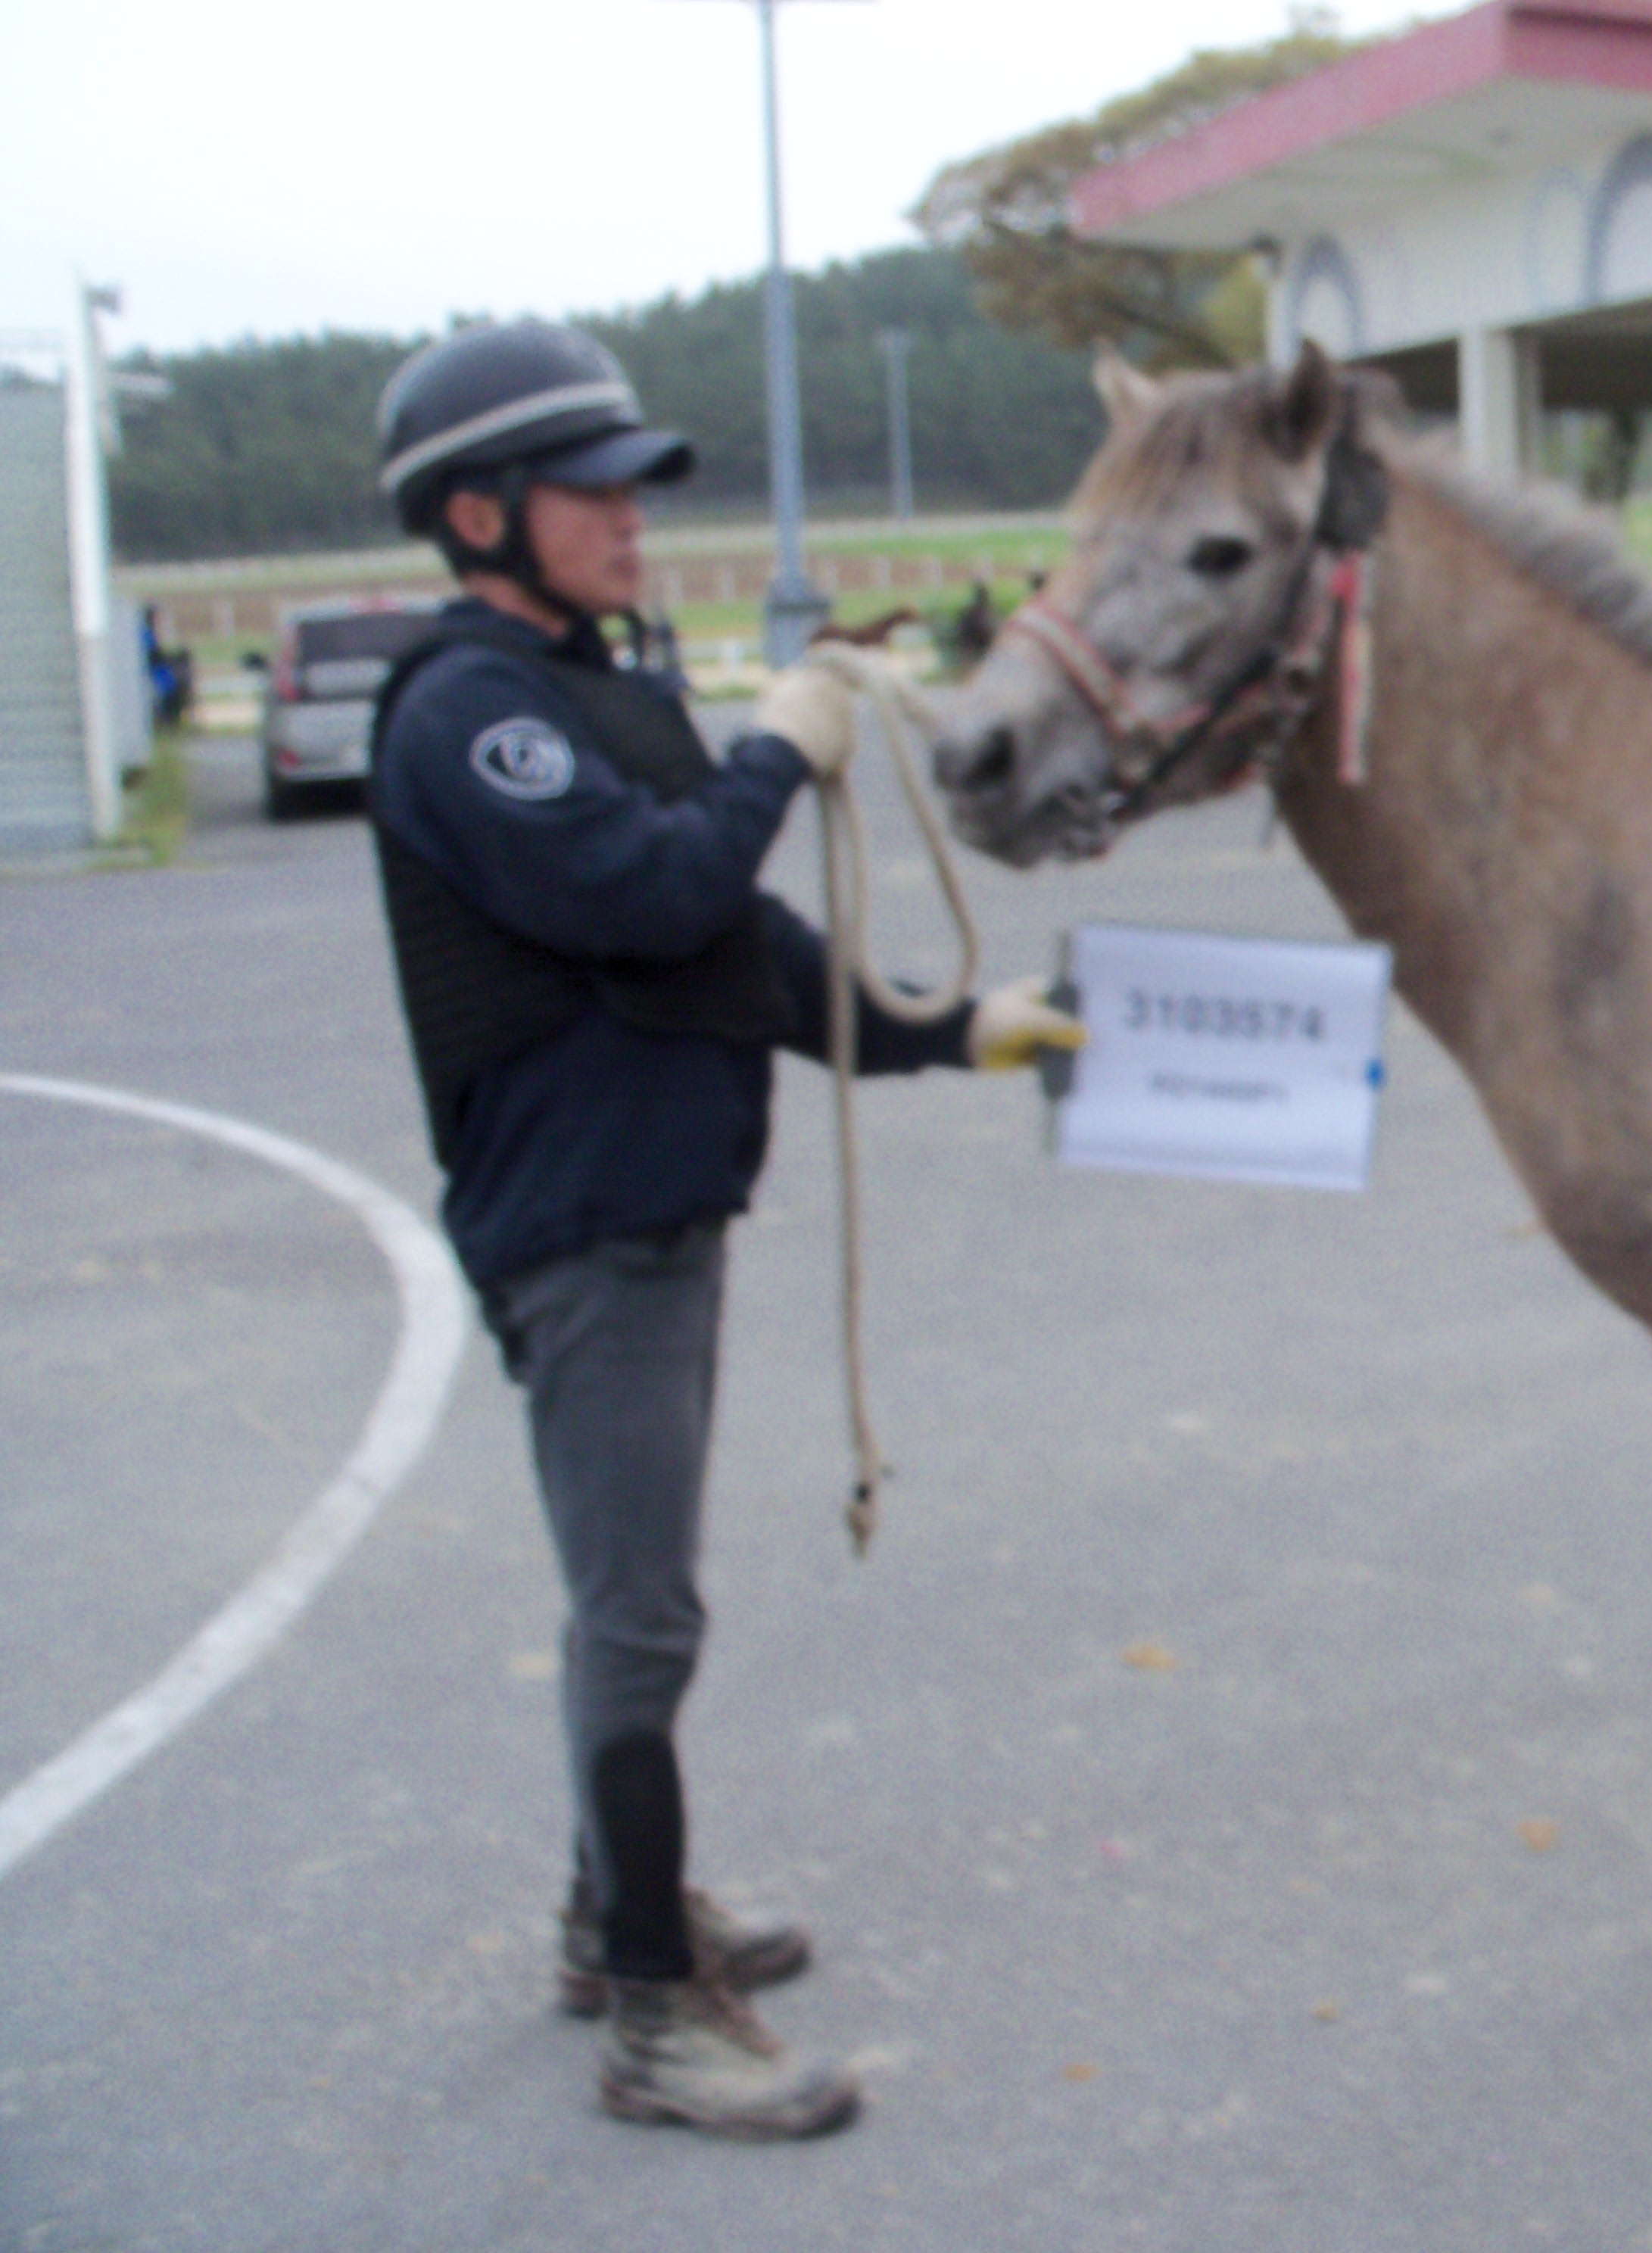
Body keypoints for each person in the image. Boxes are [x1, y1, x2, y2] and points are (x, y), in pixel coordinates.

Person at [364, 320, 1080, 2141]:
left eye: (628, 486)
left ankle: (613, 1920)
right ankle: (653, 2019)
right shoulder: (469, 715)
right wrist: (772, 752)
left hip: (658, 1205)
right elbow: (652, 884)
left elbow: (726, 947)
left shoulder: (596, 694)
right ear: (477, 514)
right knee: (640, 1617)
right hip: (580, 1221)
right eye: (586, 489)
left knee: (638, 1604)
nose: (629, 516)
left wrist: (941, 1029)